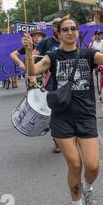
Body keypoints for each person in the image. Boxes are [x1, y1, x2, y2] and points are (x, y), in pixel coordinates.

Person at [22, 17, 103, 205]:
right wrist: (28, 50)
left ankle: (87, 188)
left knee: (92, 165)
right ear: (58, 34)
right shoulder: (52, 56)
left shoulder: (88, 54)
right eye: (65, 30)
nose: (70, 32)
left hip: (86, 115)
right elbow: (32, 71)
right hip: (62, 117)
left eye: (73, 29)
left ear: (78, 32)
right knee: (75, 164)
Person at [33, 18, 62, 153]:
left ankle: (68, 136)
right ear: (53, 28)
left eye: (59, 26)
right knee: (54, 111)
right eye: (55, 26)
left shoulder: (68, 40)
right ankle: (56, 139)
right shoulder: (46, 42)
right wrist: (32, 73)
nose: (57, 28)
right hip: (50, 81)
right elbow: (34, 56)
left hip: (67, 82)